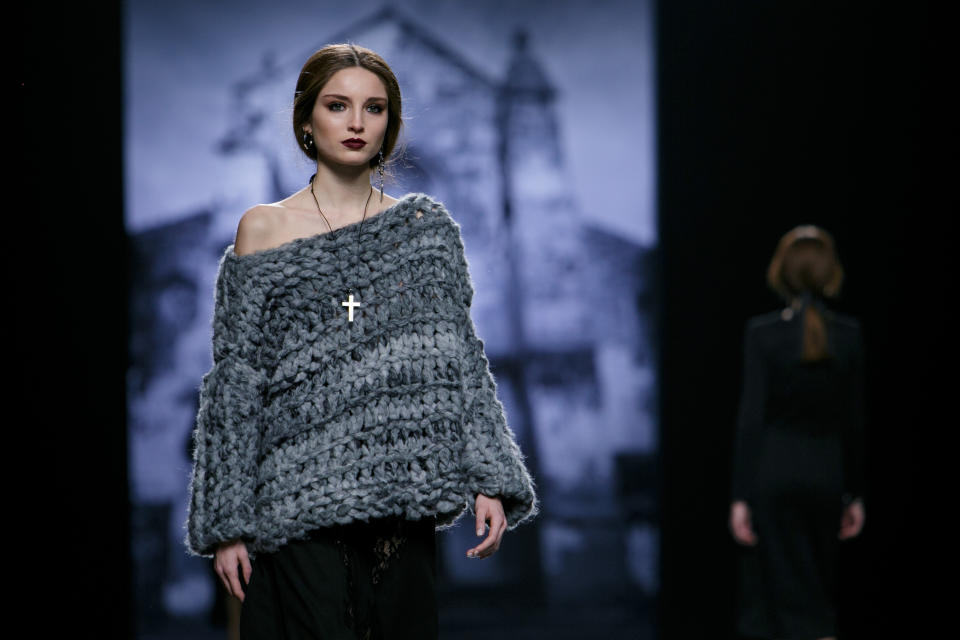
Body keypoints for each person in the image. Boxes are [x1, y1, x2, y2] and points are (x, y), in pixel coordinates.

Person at [184, 43, 539, 640]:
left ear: (389, 127)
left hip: (398, 498)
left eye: (374, 108)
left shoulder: (425, 234)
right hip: (293, 499)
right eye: (337, 104)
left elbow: (458, 358)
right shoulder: (262, 228)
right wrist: (228, 521)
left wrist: (491, 476)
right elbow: (238, 379)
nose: (355, 122)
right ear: (306, 119)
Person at [728, 225, 866, 640]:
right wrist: (855, 492)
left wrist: (740, 495)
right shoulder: (850, 335)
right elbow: (855, 421)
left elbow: (751, 418)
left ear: (781, 273)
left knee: (775, 600)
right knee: (815, 599)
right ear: (830, 273)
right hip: (827, 475)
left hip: (775, 476)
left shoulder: (763, 334)